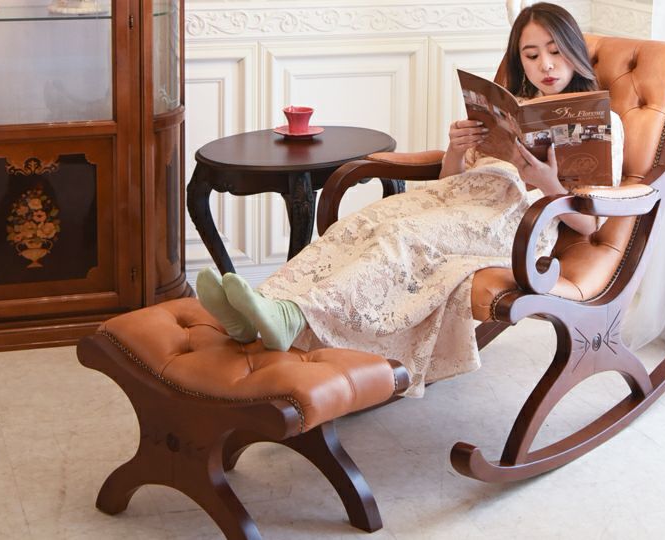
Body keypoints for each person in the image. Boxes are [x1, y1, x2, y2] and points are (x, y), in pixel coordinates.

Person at [196, 2, 624, 397]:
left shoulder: (604, 123)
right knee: (365, 222)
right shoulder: (513, 109)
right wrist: (456, 149)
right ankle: (260, 307)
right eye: (531, 55)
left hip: (515, 221)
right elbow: (451, 178)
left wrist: (548, 183)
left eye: (555, 51)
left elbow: (590, 224)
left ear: (574, 51)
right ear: (520, 61)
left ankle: (291, 317)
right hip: (458, 199)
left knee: (401, 236)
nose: (545, 64)